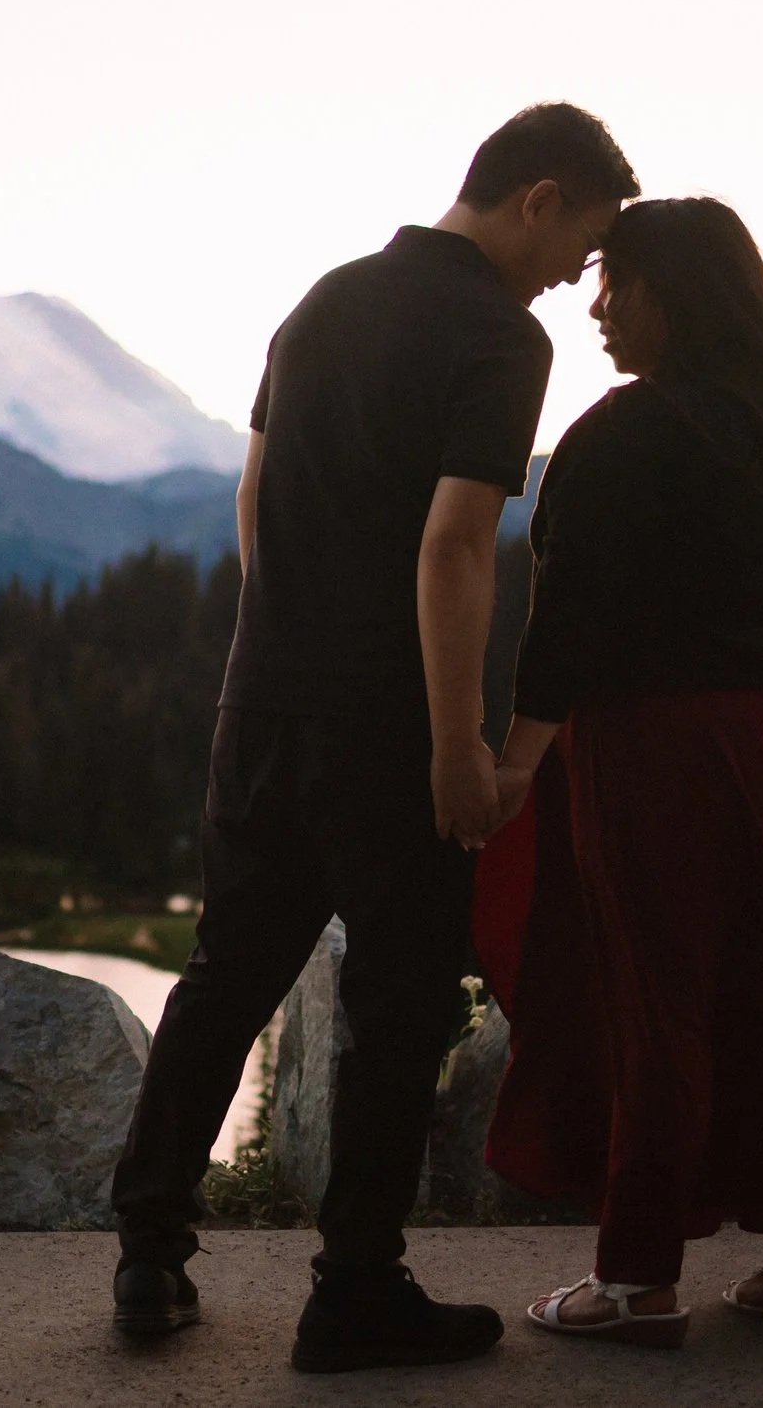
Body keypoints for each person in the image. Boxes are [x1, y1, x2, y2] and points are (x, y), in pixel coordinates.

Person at [109, 103, 638, 1372]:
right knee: (399, 1002)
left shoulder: (324, 298)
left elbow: (253, 490)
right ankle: (353, 1289)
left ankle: (147, 1252)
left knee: (226, 970)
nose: (577, 276)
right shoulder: (498, 340)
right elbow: (455, 543)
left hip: (263, 703)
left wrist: (287, 635)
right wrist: (458, 739)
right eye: (584, 242)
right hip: (386, 726)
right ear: (539, 197)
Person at [481, 196, 763, 1348]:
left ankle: (638, 1276)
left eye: (621, 284)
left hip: (657, 743)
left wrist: (510, 768)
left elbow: (565, 633)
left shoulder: (616, 438)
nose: (598, 308)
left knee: (655, 998)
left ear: (677, 294)